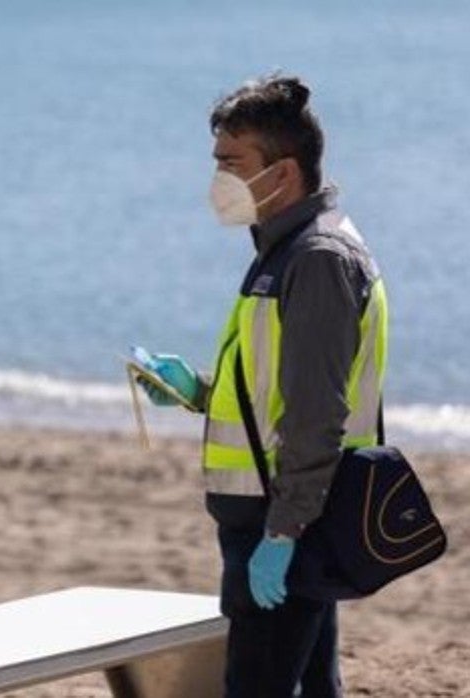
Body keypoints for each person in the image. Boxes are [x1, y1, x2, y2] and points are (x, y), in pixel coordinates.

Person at [137, 75, 387, 697]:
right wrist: (195, 390)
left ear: (284, 171)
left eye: (231, 163)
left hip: (286, 520)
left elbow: (317, 412)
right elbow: (271, 386)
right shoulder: (285, 252)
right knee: (308, 686)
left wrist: (283, 534)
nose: (218, 179)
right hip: (281, 515)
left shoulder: (318, 259)